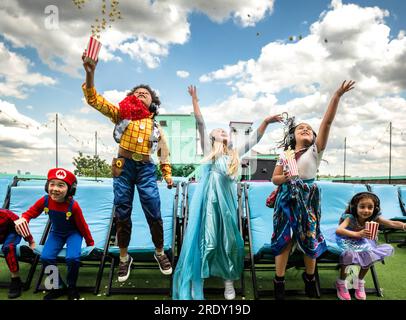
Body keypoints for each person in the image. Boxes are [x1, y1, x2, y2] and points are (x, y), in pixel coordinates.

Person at [172, 85, 282, 300]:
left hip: (228, 205)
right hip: (209, 206)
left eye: (225, 131)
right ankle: (200, 277)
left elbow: (255, 139)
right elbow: (200, 122)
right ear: (212, 138)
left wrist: (266, 122)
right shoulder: (210, 151)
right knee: (207, 239)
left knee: (229, 240)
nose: (222, 132)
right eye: (218, 131)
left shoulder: (234, 154)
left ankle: (228, 281)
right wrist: (195, 100)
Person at [81, 51, 174, 282]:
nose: (141, 94)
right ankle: (124, 258)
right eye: (137, 92)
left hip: (145, 169)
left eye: (146, 94)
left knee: (153, 209)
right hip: (123, 167)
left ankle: (160, 252)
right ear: (131, 98)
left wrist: (167, 174)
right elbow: (94, 100)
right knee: (122, 211)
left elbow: (164, 151)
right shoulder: (122, 115)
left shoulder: (155, 127)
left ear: (153, 102)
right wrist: (90, 73)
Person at [271, 80, 356, 300]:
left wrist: (336, 95)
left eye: (309, 128)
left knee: (309, 238)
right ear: (293, 136)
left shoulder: (314, 152)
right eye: (301, 128)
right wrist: (287, 176)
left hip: (308, 199)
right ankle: (278, 281)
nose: (306, 129)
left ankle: (309, 278)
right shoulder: (286, 155)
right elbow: (274, 179)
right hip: (286, 199)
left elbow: (327, 123)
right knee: (285, 238)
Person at [20, 168, 94, 300]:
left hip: (73, 234)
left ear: (70, 189)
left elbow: (82, 225)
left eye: (61, 185)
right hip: (56, 234)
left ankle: (72, 287)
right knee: (46, 257)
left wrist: (90, 242)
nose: (55, 188)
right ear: (47, 186)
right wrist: (24, 218)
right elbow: (30, 212)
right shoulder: (45, 200)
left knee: (72, 258)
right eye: (52, 184)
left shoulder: (74, 206)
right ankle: (58, 286)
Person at [333, 191, 406, 300]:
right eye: (362, 206)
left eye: (370, 207)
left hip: (365, 242)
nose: (366, 210)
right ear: (355, 207)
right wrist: (357, 234)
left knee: (370, 255)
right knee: (347, 255)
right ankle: (342, 283)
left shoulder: (374, 218)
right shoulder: (350, 218)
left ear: (375, 209)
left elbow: (391, 223)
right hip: (348, 240)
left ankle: (359, 282)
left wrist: (404, 225)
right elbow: (339, 230)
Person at [0, 209, 35, 298]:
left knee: (8, 248)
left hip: (12, 232)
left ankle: (15, 279)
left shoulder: (5, 214)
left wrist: (30, 240)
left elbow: (21, 225)